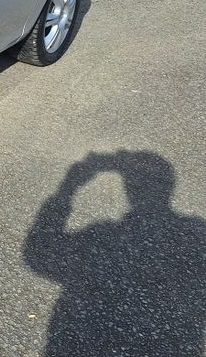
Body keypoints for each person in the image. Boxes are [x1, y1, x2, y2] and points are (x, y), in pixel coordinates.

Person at [24, 151, 205, 356]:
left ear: (129, 189)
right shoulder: (197, 234)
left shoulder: (100, 238)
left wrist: (67, 188)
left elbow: (39, 252)